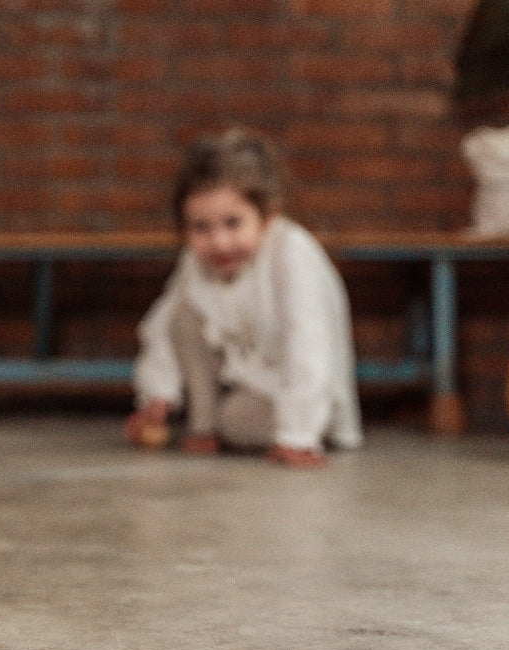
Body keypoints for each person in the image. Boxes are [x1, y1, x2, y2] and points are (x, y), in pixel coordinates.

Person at [126, 128, 362, 467]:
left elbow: (309, 347)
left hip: (300, 393)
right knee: (182, 315)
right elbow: (162, 327)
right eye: (201, 228)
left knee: (234, 420)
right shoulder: (196, 262)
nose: (219, 242)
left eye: (233, 223)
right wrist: (157, 394)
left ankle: (293, 427)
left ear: (266, 215)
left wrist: (298, 434)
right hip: (242, 383)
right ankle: (203, 427)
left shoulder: (290, 252)